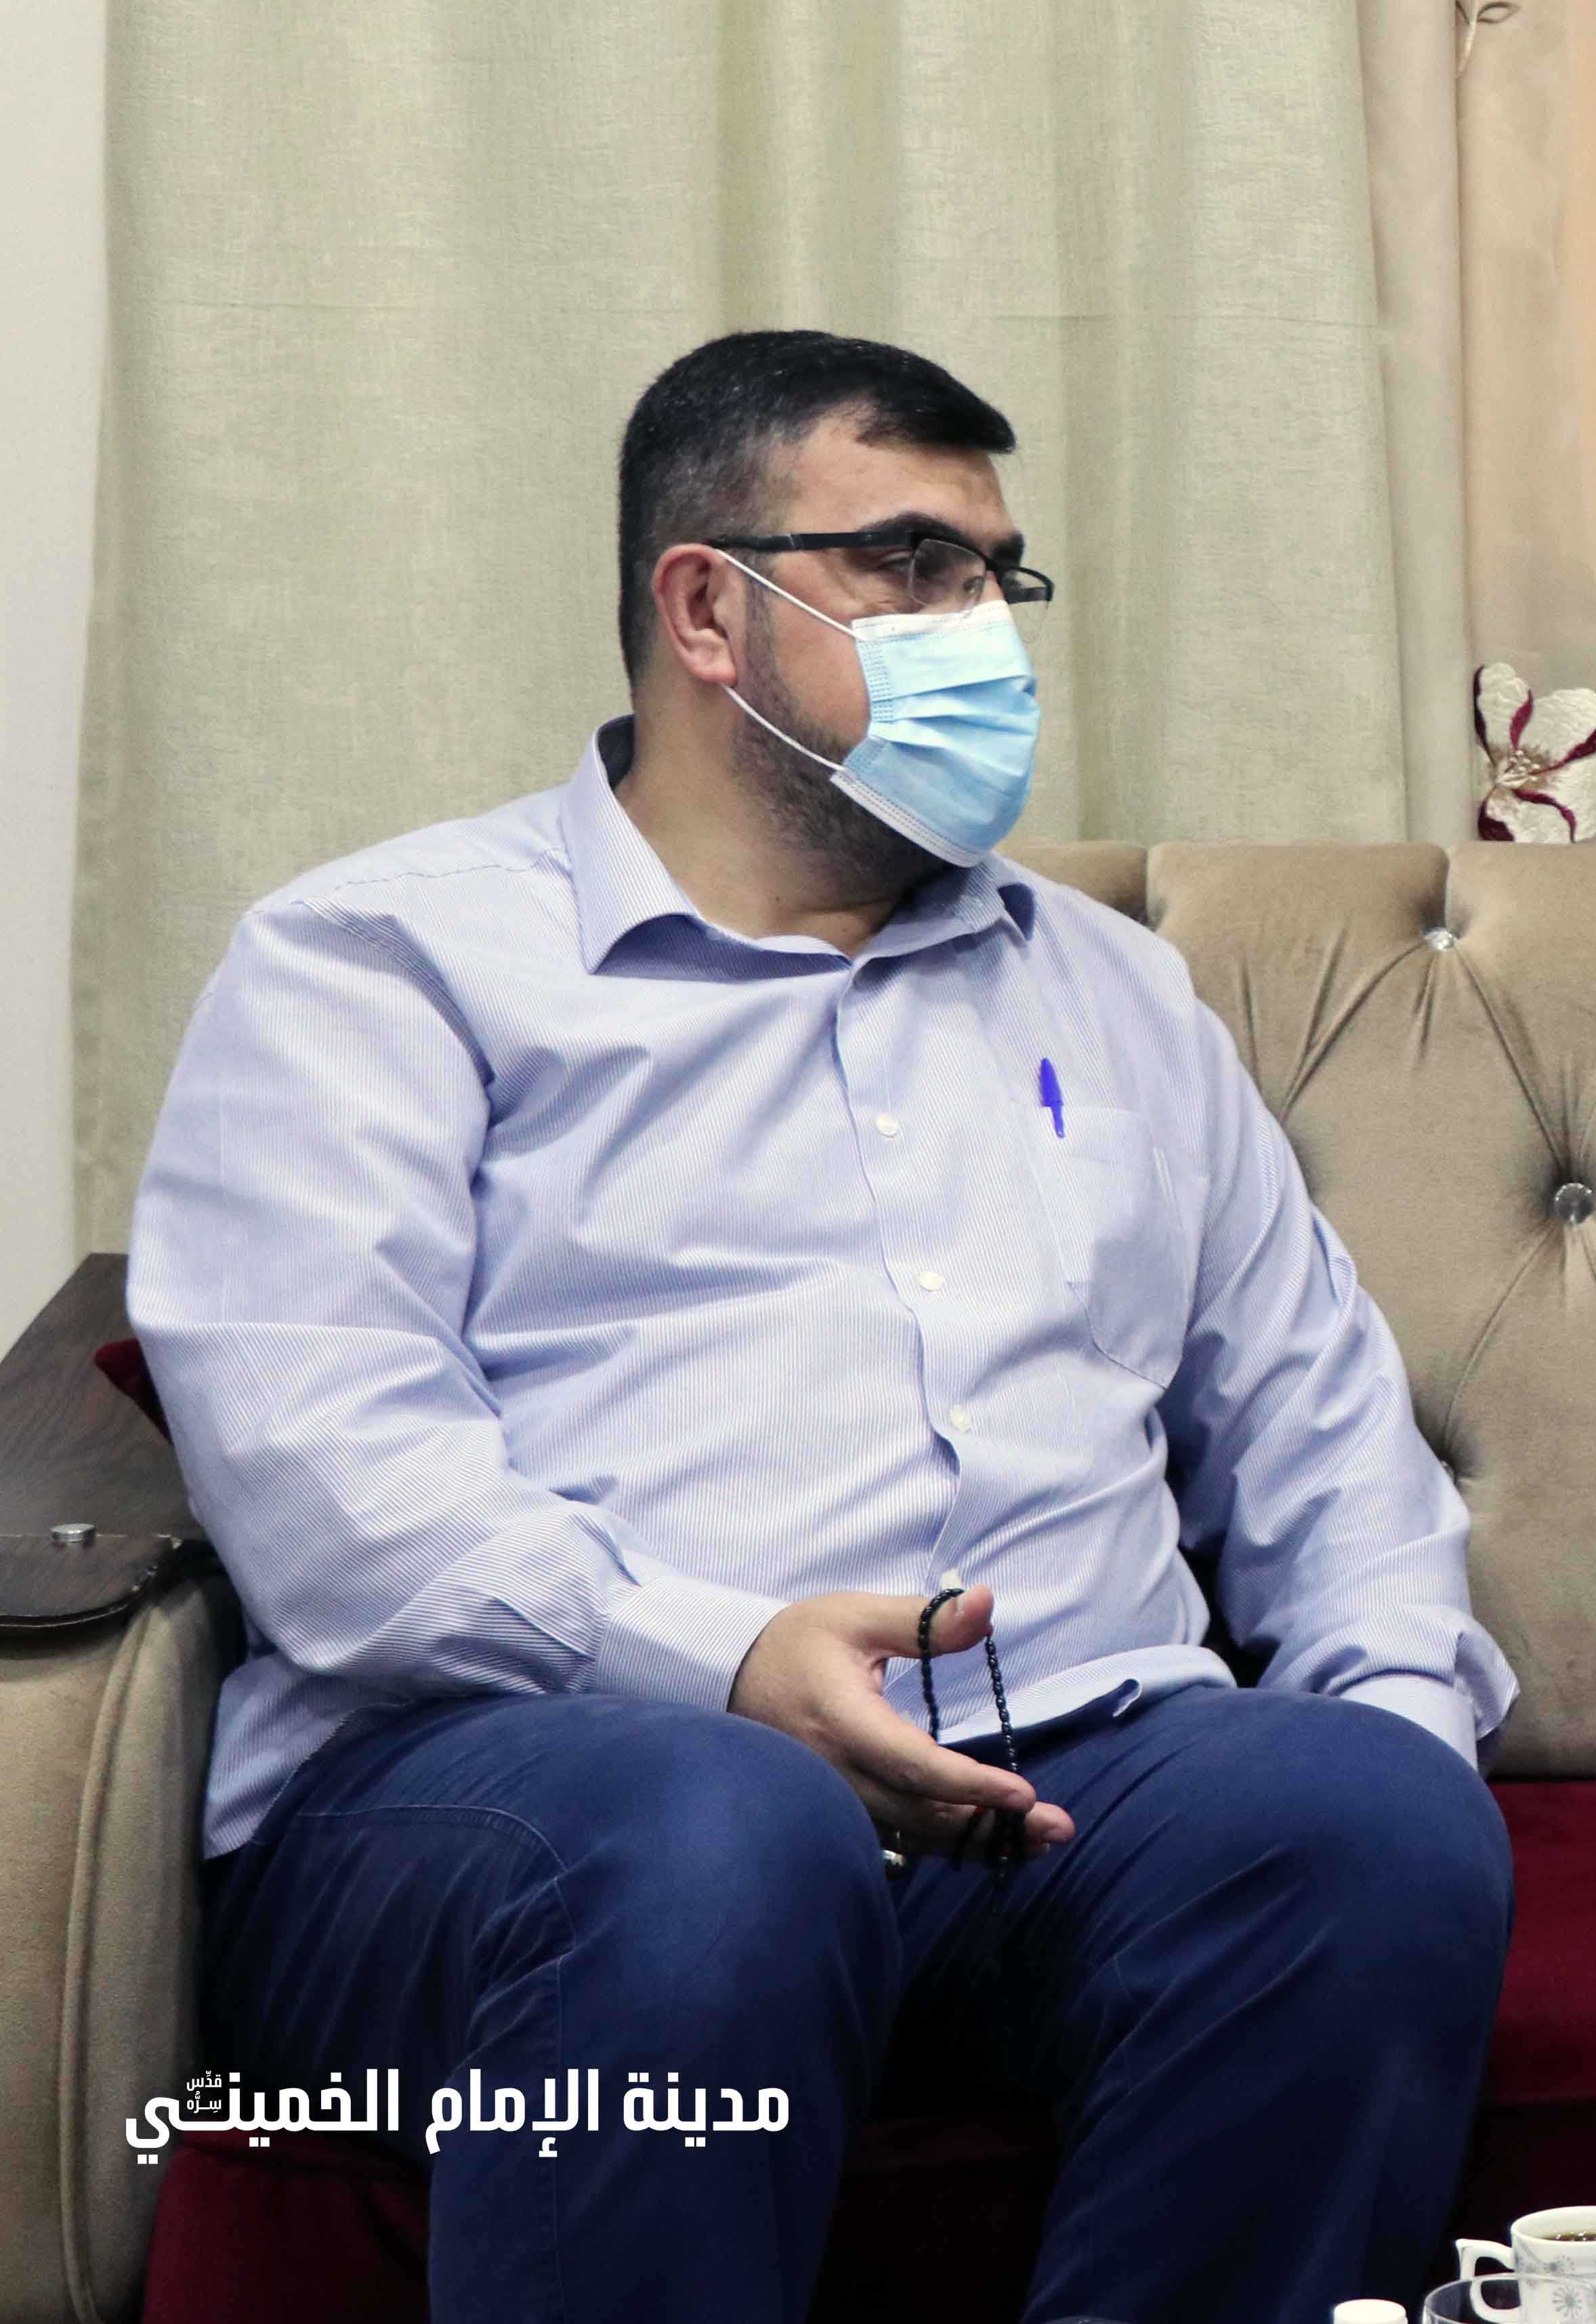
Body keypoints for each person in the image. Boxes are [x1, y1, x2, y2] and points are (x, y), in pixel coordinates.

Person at [132, 330, 1518, 2324]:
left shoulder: (1114, 992)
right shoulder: (378, 963)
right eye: (914, 565)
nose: (988, 634)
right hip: (537, 1804)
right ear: (707, 609)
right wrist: (721, 1666)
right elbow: (339, 1496)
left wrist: (1398, 1752)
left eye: (1001, 577)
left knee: (1368, 1815)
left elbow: (1327, 1439)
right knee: (726, 1823)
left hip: (1073, 1790)